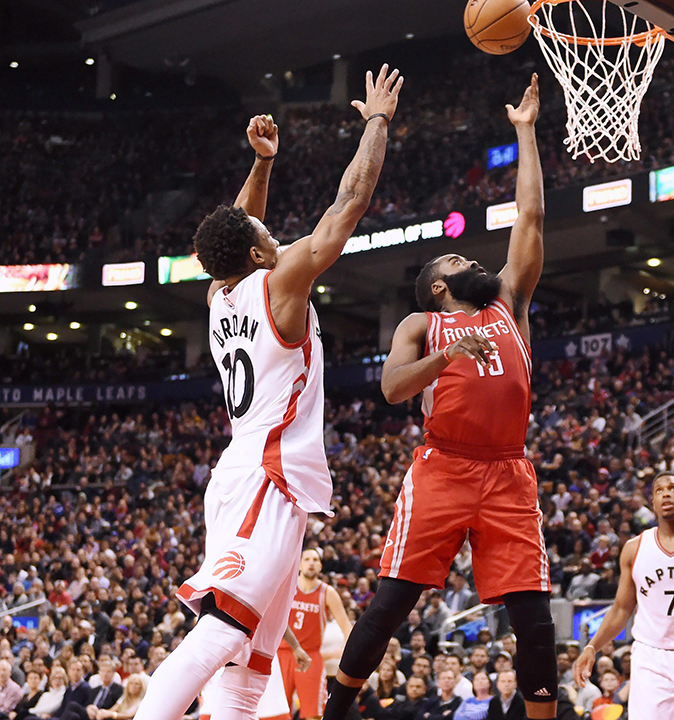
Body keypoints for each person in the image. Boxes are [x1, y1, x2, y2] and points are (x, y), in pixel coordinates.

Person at [135, 64, 402, 720]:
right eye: (268, 238)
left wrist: (262, 165)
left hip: (247, 474)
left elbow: (236, 230)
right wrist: (377, 121)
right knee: (226, 631)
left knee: (251, 661)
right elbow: (349, 204)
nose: (276, 237)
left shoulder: (220, 292)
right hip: (267, 478)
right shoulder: (281, 282)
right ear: (260, 256)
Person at [322, 74, 556, 720]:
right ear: (437, 289)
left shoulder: (509, 302)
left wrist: (527, 132)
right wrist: (449, 355)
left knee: (533, 621)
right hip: (444, 468)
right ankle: (334, 710)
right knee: (392, 603)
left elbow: (530, 217)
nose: (468, 261)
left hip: (510, 470)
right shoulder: (423, 326)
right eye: (455, 261)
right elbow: (394, 388)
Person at [573, 472, 674, 720]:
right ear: (653, 504)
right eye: (659, 490)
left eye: (673, 488)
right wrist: (593, 646)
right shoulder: (634, 548)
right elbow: (620, 609)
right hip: (651, 658)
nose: (666, 493)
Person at [278, 548, 352, 720]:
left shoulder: (328, 592)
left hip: (311, 656)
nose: (311, 563)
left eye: (315, 560)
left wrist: (350, 653)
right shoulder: (286, 586)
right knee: (277, 712)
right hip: (281, 654)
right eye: (307, 559)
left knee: (314, 714)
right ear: (299, 564)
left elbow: (346, 626)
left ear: (320, 566)